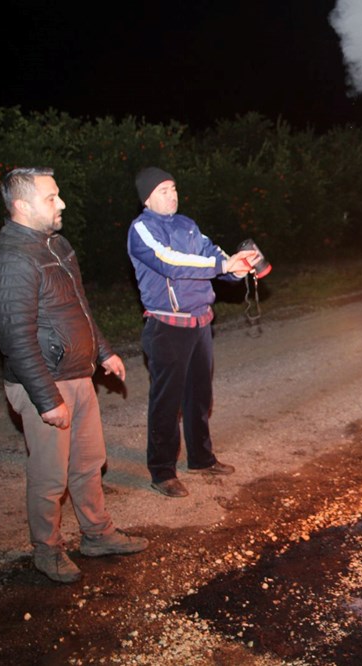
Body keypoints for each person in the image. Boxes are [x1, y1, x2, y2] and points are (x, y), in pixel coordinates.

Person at [0, 167, 149, 584]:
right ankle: (47, 549)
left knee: (89, 462)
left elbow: (79, 307)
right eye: (52, 197)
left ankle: (97, 534)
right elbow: (16, 340)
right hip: (44, 382)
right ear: (21, 206)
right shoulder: (9, 259)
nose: (62, 203)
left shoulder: (56, 245)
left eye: (58, 195)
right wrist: (46, 398)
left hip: (77, 374)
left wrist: (104, 350)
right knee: (50, 475)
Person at [127, 167, 262, 498]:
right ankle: (162, 471)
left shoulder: (188, 225)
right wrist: (221, 267)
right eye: (162, 190)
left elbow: (213, 256)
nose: (171, 195)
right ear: (146, 198)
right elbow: (170, 261)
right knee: (167, 402)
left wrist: (238, 266)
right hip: (166, 328)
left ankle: (201, 458)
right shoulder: (141, 229)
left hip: (200, 324)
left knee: (199, 397)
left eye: (174, 188)